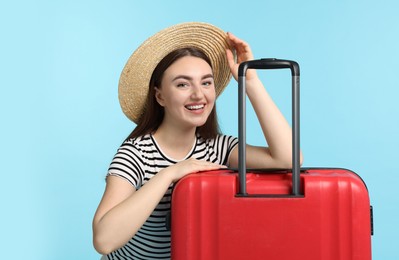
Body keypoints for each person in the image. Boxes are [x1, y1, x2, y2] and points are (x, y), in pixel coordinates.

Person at [92, 22, 302, 260]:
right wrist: (172, 173)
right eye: (182, 84)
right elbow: (103, 240)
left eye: (206, 82)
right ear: (159, 95)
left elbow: (289, 158)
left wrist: (250, 81)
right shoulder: (136, 153)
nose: (198, 94)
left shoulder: (218, 148)